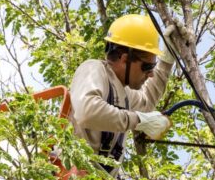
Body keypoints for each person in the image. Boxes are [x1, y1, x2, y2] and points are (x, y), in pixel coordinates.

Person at [69, 14, 175, 170]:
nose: (151, 74)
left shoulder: (124, 93)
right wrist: (138, 120)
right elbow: (87, 111)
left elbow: (146, 103)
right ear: (125, 59)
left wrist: (166, 61)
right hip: (70, 175)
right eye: (147, 67)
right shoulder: (94, 69)